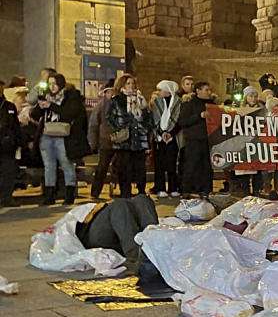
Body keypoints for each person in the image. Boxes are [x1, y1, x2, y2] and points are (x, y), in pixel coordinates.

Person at [30, 72, 88, 205]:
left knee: (66, 164)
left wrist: (51, 105)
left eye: (54, 84)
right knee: (49, 166)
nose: (52, 86)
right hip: (47, 135)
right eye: (49, 84)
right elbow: (34, 115)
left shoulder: (70, 96)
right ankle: (49, 196)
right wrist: (40, 105)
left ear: (60, 84)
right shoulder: (46, 96)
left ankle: (69, 195)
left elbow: (69, 113)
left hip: (63, 136)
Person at [74, 193, 159, 272]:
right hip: (91, 234)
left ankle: (156, 247)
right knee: (120, 204)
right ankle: (136, 255)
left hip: (118, 237)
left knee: (142, 198)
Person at [107, 75, 153, 198]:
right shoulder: (117, 100)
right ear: (122, 85)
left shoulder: (141, 100)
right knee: (124, 168)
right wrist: (120, 128)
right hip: (124, 140)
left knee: (140, 168)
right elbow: (110, 118)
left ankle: (141, 192)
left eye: (133, 83)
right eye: (128, 83)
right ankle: (125, 193)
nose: (131, 86)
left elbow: (148, 118)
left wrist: (143, 121)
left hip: (139, 138)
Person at [176, 81, 214, 196]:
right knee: (192, 165)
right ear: (198, 91)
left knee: (207, 166)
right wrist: (199, 116)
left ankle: (206, 189)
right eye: (206, 90)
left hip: (209, 140)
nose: (209, 92)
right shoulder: (190, 104)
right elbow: (183, 121)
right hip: (194, 140)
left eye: (209, 90)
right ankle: (187, 189)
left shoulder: (213, 104)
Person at [151, 80, 181, 197]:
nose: (159, 92)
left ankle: (173, 188)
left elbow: (178, 120)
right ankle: (160, 188)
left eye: (161, 90)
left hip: (173, 138)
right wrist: (162, 132)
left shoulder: (178, 102)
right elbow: (154, 120)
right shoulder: (157, 102)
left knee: (172, 164)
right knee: (159, 164)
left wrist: (170, 133)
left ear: (168, 91)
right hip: (159, 138)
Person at [0, 84, 18, 206]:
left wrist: (18, 142)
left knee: (8, 171)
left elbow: (15, 126)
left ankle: (6, 198)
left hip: (7, 145)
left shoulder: (9, 106)